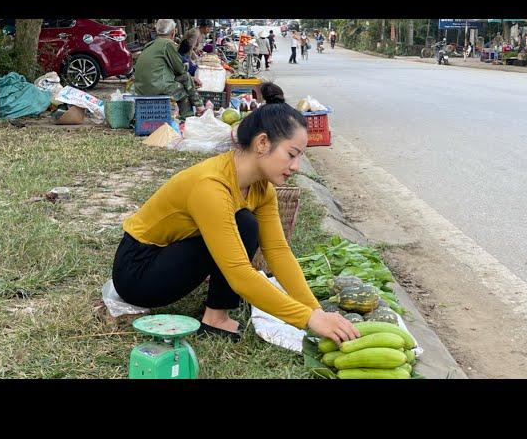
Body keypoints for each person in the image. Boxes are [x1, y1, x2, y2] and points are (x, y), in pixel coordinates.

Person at [111, 82, 360, 344]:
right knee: (241, 230)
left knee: (245, 223)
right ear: (263, 142)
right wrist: (308, 320)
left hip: (168, 254)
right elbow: (239, 273)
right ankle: (216, 318)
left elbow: (278, 252)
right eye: (291, 154)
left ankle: (216, 315)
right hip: (138, 271)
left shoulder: (262, 188)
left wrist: (315, 310)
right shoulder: (211, 187)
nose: (296, 166)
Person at [133, 19, 204, 119]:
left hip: (141, 87)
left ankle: (199, 108)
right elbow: (179, 69)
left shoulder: (149, 45)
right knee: (183, 88)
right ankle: (191, 116)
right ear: (173, 32)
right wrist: (191, 78)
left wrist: (191, 79)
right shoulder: (168, 44)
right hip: (157, 86)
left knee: (186, 79)